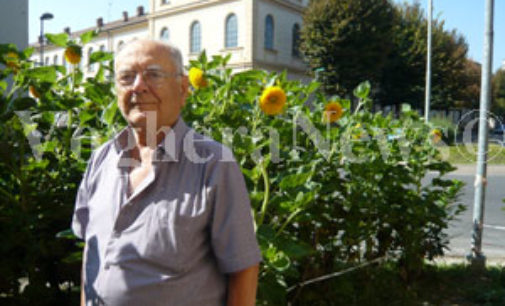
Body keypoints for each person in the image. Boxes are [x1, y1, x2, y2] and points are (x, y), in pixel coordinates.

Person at [71, 39, 261, 306]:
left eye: (153, 75)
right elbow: (92, 252)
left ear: (183, 89)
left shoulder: (214, 165)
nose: (138, 86)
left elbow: (243, 268)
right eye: (127, 77)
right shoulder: (100, 160)